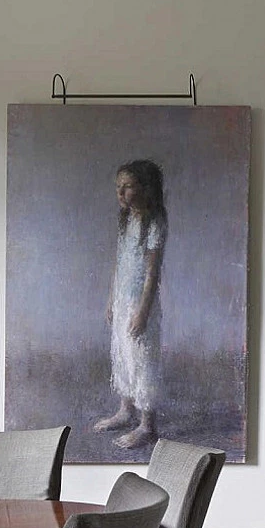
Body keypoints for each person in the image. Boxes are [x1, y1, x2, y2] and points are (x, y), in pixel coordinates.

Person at [94, 160, 167, 449]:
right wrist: (111, 299)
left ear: (146, 189)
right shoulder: (125, 220)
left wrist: (143, 312)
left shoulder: (155, 221)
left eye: (127, 187)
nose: (120, 193)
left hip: (140, 303)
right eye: (118, 187)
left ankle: (147, 425)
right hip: (123, 300)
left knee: (142, 359)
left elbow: (152, 273)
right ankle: (126, 411)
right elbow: (119, 263)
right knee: (123, 354)